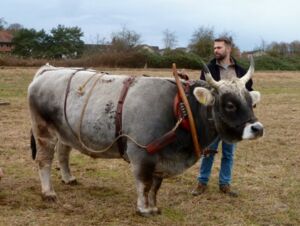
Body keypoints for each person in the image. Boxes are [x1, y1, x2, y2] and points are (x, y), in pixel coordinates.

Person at [191, 37, 253, 197]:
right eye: (214, 48)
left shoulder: (240, 70)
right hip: (213, 120)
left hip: (232, 122)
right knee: (209, 151)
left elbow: (248, 93)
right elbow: (202, 90)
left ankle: (225, 184)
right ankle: (202, 182)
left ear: (228, 49)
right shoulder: (209, 69)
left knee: (229, 153)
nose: (215, 50)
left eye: (219, 48)